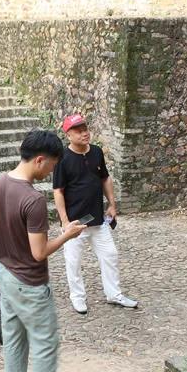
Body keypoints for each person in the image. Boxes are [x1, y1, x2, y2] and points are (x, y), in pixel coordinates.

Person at [0, 130, 86, 372]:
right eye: (52, 165)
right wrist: (67, 235)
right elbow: (39, 252)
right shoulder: (33, 199)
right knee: (46, 343)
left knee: (14, 339)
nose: (51, 172)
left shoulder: (0, 183)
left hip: (4, 274)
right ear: (40, 160)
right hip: (28, 282)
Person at [52, 114, 137, 314]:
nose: (84, 133)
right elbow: (58, 191)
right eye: (78, 131)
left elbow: (105, 178)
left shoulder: (97, 152)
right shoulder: (62, 159)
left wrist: (112, 205)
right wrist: (65, 221)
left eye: (85, 129)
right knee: (73, 262)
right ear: (68, 135)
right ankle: (77, 298)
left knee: (110, 255)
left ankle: (114, 294)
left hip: (97, 219)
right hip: (74, 222)